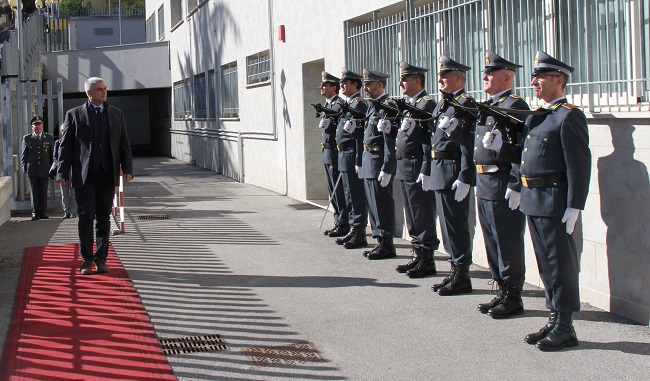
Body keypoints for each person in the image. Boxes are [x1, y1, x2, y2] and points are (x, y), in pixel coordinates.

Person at [483, 51, 591, 350]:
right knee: (546, 264)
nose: (534, 82)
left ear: (558, 80)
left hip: (555, 200)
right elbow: (524, 156)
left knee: (561, 264)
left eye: (540, 77)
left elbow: (579, 164)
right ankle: (555, 318)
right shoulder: (539, 116)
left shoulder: (568, 115)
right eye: (534, 77)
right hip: (534, 198)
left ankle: (566, 325)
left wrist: (575, 205)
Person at [57, 77, 134, 275]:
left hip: (107, 174)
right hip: (85, 175)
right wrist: (62, 171)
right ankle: (86, 259)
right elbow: (65, 147)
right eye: (99, 89)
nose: (104, 92)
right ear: (89, 93)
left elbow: (124, 143)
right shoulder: (74, 115)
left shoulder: (116, 114)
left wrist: (127, 169)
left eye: (105, 88)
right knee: (85, 217)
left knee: (103, 218)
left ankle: (101, 258)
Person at [472, 51, 529, 318]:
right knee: (492, 240)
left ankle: (513, 295)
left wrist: (516, 183)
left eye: (490, 73)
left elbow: (523, 149)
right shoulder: (489, 105)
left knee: (507, 240)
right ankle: (501, 289)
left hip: (502, 181)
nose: (485, 76)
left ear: (506, 77)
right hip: (484, 182)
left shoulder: (515, 105)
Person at [427, 56, 477, 296]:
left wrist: (466, 176)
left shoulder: (465, 103)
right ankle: (454, 269)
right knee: (446, 226)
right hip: (439, 169)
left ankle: (462, 274)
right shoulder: (442, 104)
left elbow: (469, 144)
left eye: (445, 76)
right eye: (440, 76)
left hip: (453, 169)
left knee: (456, 225)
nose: (440, 80)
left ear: (459, 77)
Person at [393, 61, 441, 278]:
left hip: (416, 166)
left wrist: (426, 168)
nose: (401, 82)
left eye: (405, 78)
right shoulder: (411, 104)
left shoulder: (426, 105)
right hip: (405, 166)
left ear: (417, 80)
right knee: (412, 215)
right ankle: (417, 254)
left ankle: (427, 259)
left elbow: (429, 141)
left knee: (422, 214)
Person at [360, 68, 397, 260]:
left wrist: (387, 168)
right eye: (365, 84)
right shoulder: (371, 106)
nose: (365, 88)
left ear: (380, 85)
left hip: (378, 161)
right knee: (373, 204)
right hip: (368, 160)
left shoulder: (387, 107)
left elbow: (390, 142)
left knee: (381, 203)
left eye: (368, 84)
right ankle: (379, 239)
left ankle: (386, 242)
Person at [334, 68, 369, 249]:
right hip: (343, 154)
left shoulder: (358, 104)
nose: (341, 85)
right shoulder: (348, 103)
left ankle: (359, 231)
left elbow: (359, 135)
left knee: (356, 194)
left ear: (355, 84)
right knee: (348, 194)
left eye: (344, 83)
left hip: (352, 153)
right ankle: (354, 229)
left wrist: (359, 161)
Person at [318, 71, 350, 238]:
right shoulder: (328, 105)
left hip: (336, 153)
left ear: (333, 87)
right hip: (327, 152)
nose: (321, 87)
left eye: (324, 85)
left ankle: (344, 222)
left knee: (339, 190)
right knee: (332, 190)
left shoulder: (339, 105)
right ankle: (338, 219)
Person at [21, 115, 54, 220]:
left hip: (45, 168)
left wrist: (53, 168)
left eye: (39, 124)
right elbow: (24, 155)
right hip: (33, 169)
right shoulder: (27, 138)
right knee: (34, 192)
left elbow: (51, 154)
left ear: (42, 125)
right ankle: (35, 212)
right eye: (35, 125)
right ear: (32, 126)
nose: (38, 126)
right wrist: (24, 168)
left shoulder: (48, 137)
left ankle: (43, 212)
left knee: (43, 191)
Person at [51, 124, 78, 218]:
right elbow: (55, 157)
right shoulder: (58, 142)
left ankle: (73, 212)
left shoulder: (75, 142)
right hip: (62, 171)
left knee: (74, 192)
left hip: (74, 170)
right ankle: (66, 212)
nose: (64, 132)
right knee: (64, 193)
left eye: (65, 130)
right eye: (62, 130)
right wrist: (59, 166)